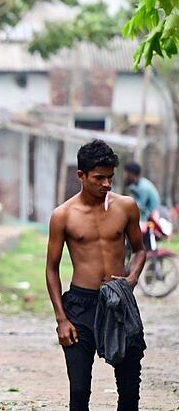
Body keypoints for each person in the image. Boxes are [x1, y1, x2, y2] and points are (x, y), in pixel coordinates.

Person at [46, 140, 147, 411]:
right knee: (79, 391)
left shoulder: (126, 207)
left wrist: (132, 278)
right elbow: (51, 268)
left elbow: (139, 250)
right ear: (81, 176)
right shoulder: (63, 215)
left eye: (110, 178)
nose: (106, 185)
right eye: (99, 178)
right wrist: (61, 319)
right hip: (81, 306)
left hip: (118, 301)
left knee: (129, 389)